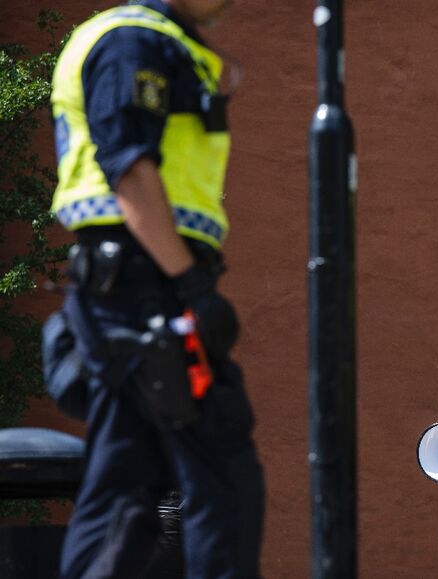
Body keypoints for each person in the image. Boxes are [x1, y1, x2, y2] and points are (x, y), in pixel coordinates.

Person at [47, 1, 265, 577]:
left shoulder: (162, 43)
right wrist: (191, 286)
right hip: (146, 288)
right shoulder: (131, 42)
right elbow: (130, 170)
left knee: (130, 489)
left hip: (141, 287)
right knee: (216, 474)